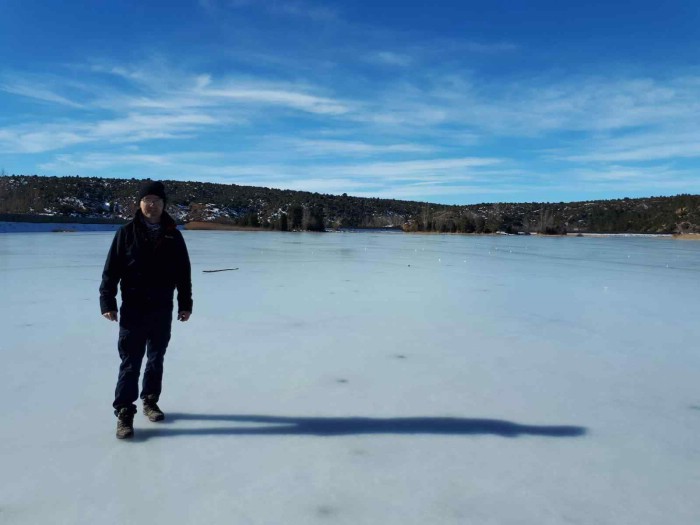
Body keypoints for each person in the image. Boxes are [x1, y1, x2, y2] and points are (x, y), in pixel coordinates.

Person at [100, 181, 192, 439]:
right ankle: (124, 413)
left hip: (162, 308)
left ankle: (150, 401)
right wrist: (107, 302)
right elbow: (111, 271)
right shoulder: (126, 232)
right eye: (147, 200)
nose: (152, 205)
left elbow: (183, 273)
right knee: (130, 362)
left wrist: (186, 304)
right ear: (140, 204)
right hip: (134, 308)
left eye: (157, 201)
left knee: (155, 358)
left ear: (164, 205)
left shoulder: (174, 234)